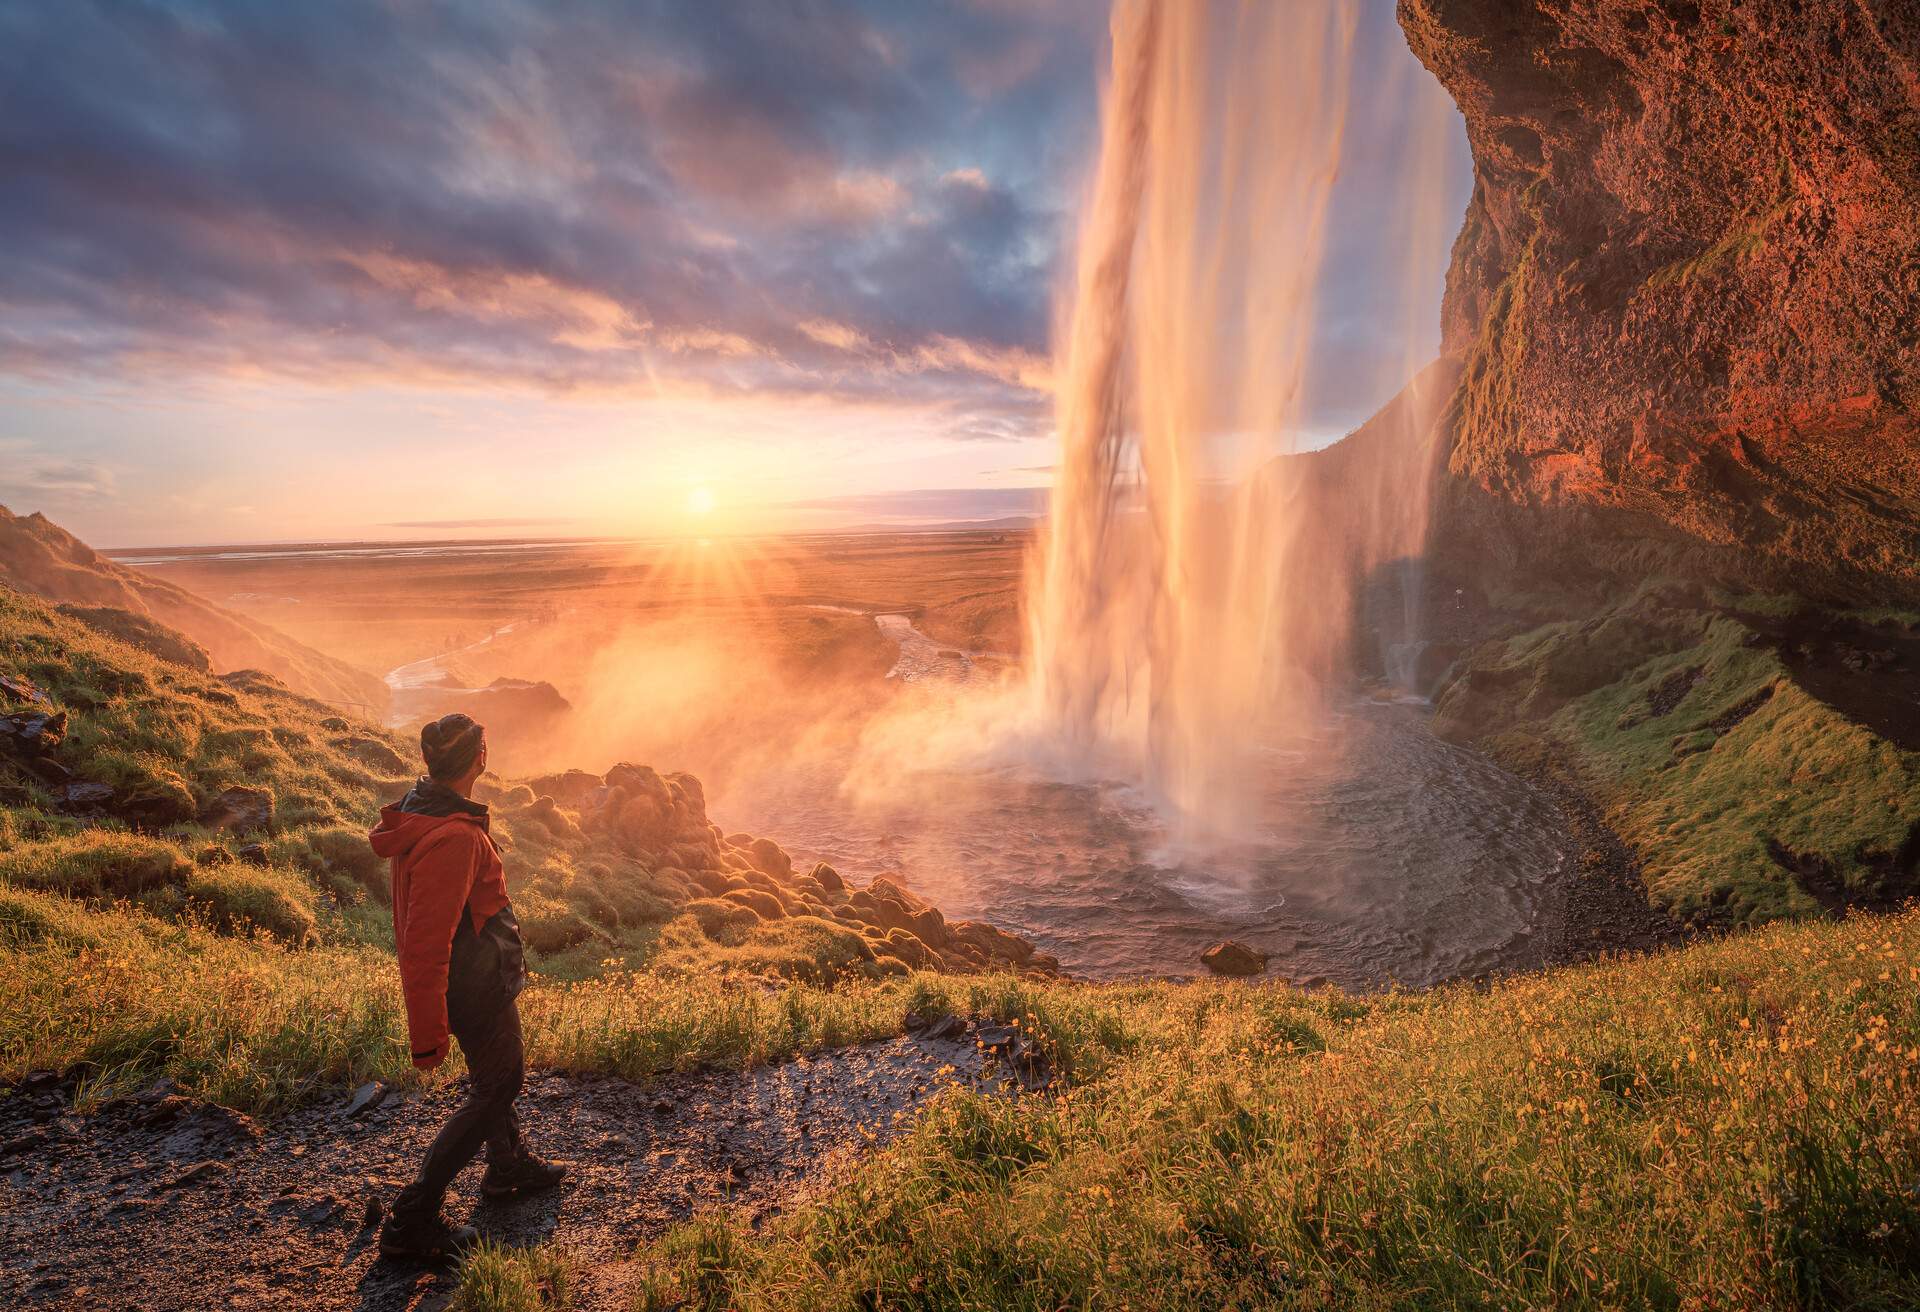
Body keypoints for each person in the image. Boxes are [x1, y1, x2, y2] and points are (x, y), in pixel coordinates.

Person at [369, 712, 566, 1260]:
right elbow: (426, 943)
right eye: (485, 745)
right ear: (478, 758)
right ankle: (413, 1218)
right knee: (498, 1086)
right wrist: (427, 1032)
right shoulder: (453, 836)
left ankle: (507, 1169)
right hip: (473, 985)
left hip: (481, 974)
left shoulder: (428, 806)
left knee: (494, 1075)